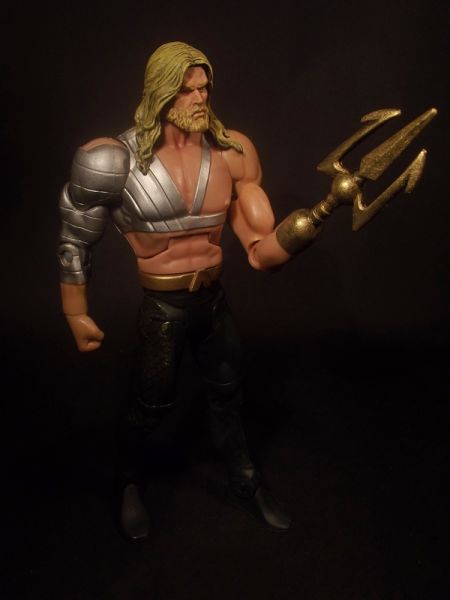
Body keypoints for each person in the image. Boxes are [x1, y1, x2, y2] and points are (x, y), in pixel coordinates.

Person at [57, 41, 350, 541]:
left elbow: (261, 254)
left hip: (212, 302)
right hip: (163, 308)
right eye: (186, 89)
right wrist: (76, 311)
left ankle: (244, 480)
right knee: (150, 403)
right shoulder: (113, 159)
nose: (199, 98)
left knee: (228, 394)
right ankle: (128, 480)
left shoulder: (233, 154)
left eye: (204, 87)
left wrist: (313, 221)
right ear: (160, 91)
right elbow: (74, 238)